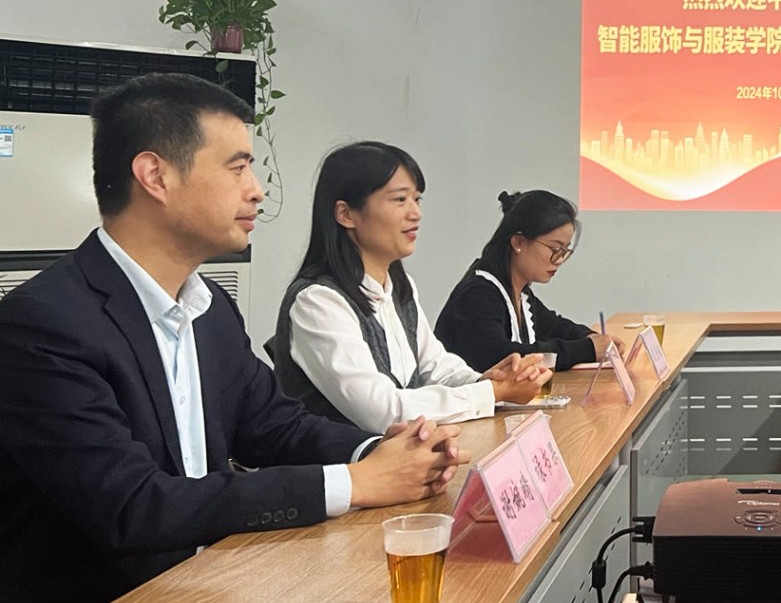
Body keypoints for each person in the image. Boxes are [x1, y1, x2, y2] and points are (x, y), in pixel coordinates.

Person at [0, 74, 469, 602]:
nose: (257, 190)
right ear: (155, 175)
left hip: (213, 580)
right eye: (237, 166)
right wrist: (356, 482)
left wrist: (385, 450)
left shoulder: (210, 307)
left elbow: (272, 425)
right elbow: (133, 505)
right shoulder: (43, 324)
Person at [272, 142, 550, 434]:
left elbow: (435, 366)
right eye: (400, 199)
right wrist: (491, 393)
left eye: (417, 199)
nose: (415, 213)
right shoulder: (318, 301)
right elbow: (383, 412)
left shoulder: (399, 288)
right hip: (350, 461)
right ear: (346, 214)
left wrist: (485, 380)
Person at [436, 189, 620, 371]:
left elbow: (555, 327)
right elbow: (503, 357)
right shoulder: (478, 294)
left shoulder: (520, 292)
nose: (559, 260)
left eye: (565, 251)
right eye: (555, 249)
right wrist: (587, 349)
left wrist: (594, 338)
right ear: (518, 242)